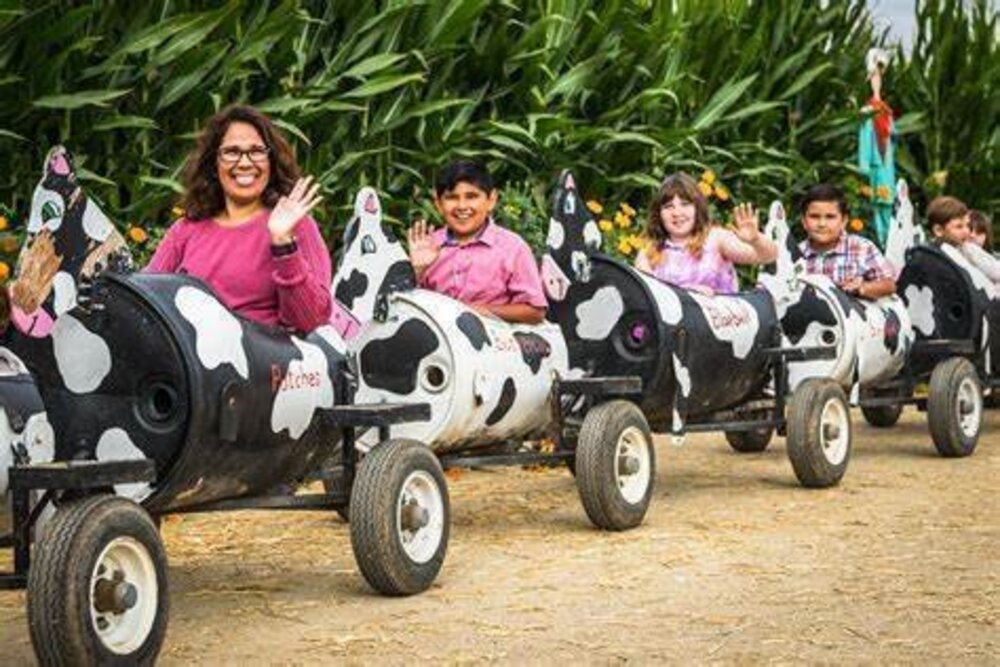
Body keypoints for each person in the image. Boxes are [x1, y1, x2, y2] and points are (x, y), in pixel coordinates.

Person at [147, 104, 332, 332]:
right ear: (214, 163)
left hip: (261, 353)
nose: (245, 163)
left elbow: (312, 320)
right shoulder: (186, 229)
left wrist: (284, 245)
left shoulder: (296, 225)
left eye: (256, 151)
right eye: (232, 152)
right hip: (189, 351)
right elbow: (147, 299)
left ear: (271, 162)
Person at [406, 160, 547, 324]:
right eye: (452, 198)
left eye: (471, 196)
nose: (462, 206)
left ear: (491, 200)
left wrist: (470, 311)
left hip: (494, 338)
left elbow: (535, 311)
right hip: (436, 338)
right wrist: (417, 270)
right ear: (438, 204)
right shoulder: (427, 246)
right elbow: (402, 307)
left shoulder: (513, 248)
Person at [634, 172, 776, 295]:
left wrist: (755, 239)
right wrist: (689, 292)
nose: (677, 213)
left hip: (719, 316)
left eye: (685, 204)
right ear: (659, 214)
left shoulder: (716, 239)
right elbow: (647, 297)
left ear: (697, 208)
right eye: (668, 206)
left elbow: (769, 256)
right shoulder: (649, 250)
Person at [796, 184, 896, 300]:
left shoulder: (861, 248)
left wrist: (863, 288)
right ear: (804, 221)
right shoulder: (796, 254)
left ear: (844, 221)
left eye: (830, 217)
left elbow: (889, 285)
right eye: (814, 216)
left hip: (854, 310)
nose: (822, 224)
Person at [927, 196, 1000, 283]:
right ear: (938, 230)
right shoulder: (928, 258)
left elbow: (996, 271)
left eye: (967, 225)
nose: (967, 231)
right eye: (959, 226)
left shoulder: (968, 249)